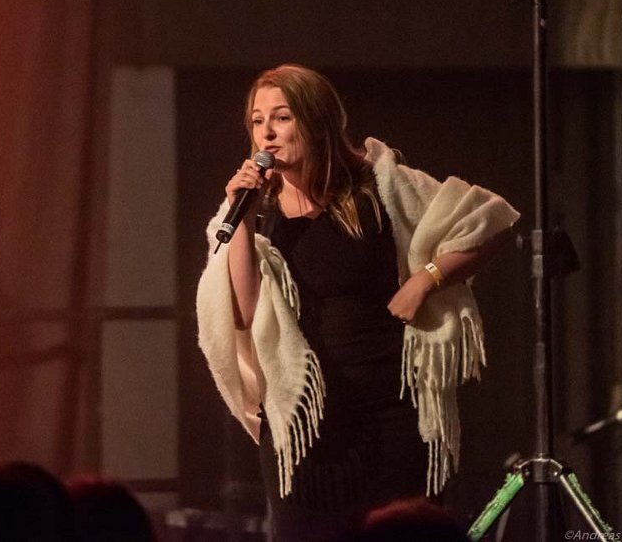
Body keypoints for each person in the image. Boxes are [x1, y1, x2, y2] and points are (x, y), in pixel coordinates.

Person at [196, 64, 518, 540]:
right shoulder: (253, 212)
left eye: (281, 117)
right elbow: (242, 313)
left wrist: (425, 279)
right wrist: (241, 217)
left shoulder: (383, 186)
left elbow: (490, 222)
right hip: (304, 423)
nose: (267, 132)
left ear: (316, 120)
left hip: (391, 410)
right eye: (257, 120)